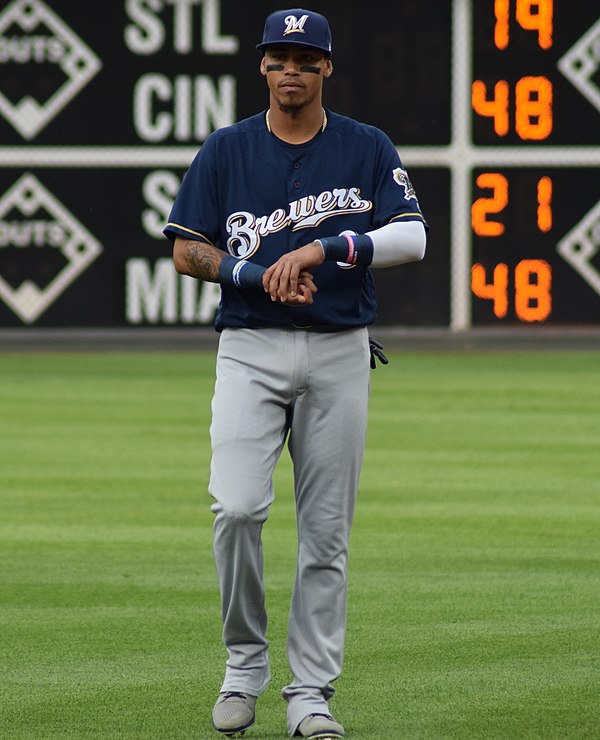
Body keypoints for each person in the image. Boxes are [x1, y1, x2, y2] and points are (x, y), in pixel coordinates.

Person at [164, 8, 427, 738]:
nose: (292, 70)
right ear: (262, 66)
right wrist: (250, 270)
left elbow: (412, 236)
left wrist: (321, 251)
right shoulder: (227, 149)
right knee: (237, 508)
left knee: (326, 534)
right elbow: (187, 249)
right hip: (250, 347)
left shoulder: (366, 146)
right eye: (280, 57)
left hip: (341, 349)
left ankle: (310, 692)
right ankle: (243, 666)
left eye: (306, 59)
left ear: (327, 69)